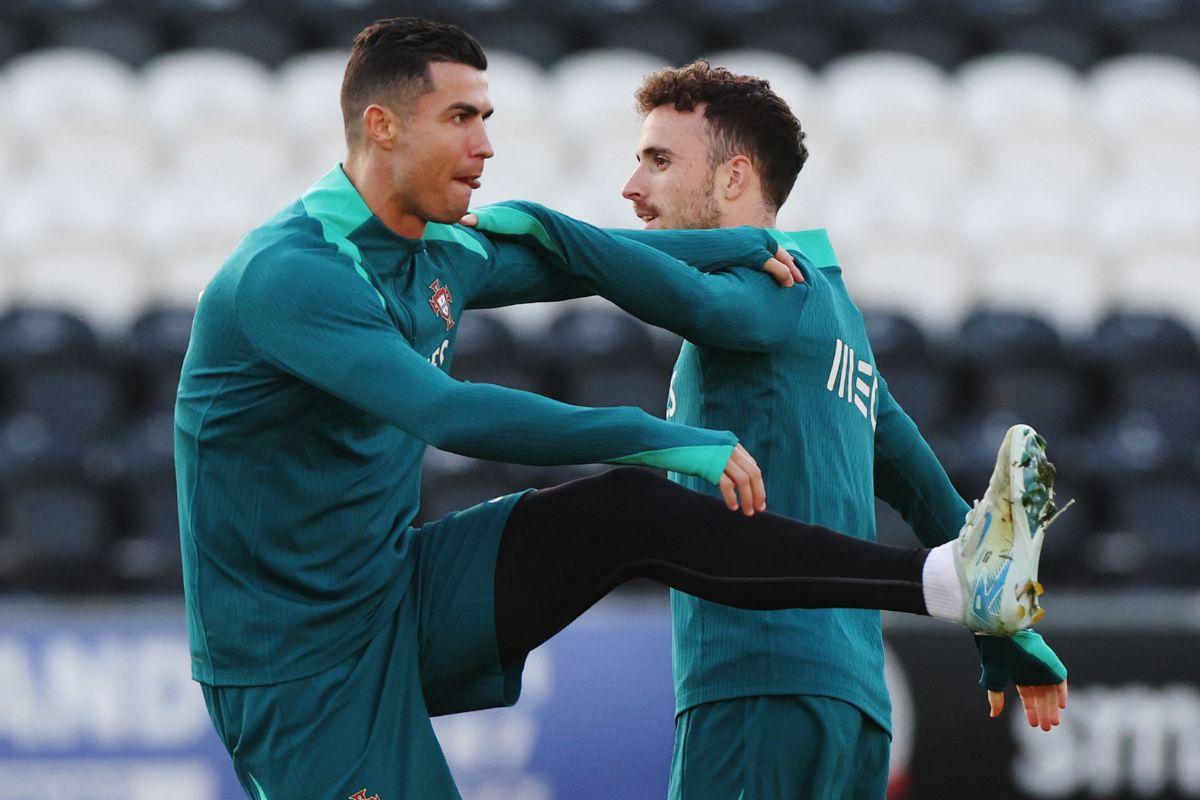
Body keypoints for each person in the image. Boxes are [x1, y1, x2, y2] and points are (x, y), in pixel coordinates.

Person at [176, 19, 1055, 799]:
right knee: (639, 480)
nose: (485, 145)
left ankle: (942, 580)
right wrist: (657, 435)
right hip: (295, 666)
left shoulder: (439, 252)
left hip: (398, 591)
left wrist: (745, 242)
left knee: (626, 513)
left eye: (488, 118)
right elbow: (447, 415)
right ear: (381, 124)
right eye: (462, 119)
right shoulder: (291, 275)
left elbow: (582, 262)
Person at [479, 61, 1071, 799]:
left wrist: (546, 227)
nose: (632, 187)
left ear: (734, 179)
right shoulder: (836, 314)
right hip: (853, 708)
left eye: (658, 161)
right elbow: (939, 505)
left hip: (757, 688)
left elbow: (702, 305)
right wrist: (1007, 634)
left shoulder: (770, 289)